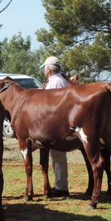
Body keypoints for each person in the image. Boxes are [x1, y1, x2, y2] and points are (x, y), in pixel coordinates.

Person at [41, 56, 71, 197]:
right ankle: (60, 184)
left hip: (57, 123)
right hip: (60, 122)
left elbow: (49, 103)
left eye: (45, 68)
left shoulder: (56, 82)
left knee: (58, 155)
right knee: (57, 156)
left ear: (48, 69)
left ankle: (61, 187)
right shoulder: (60, 81)